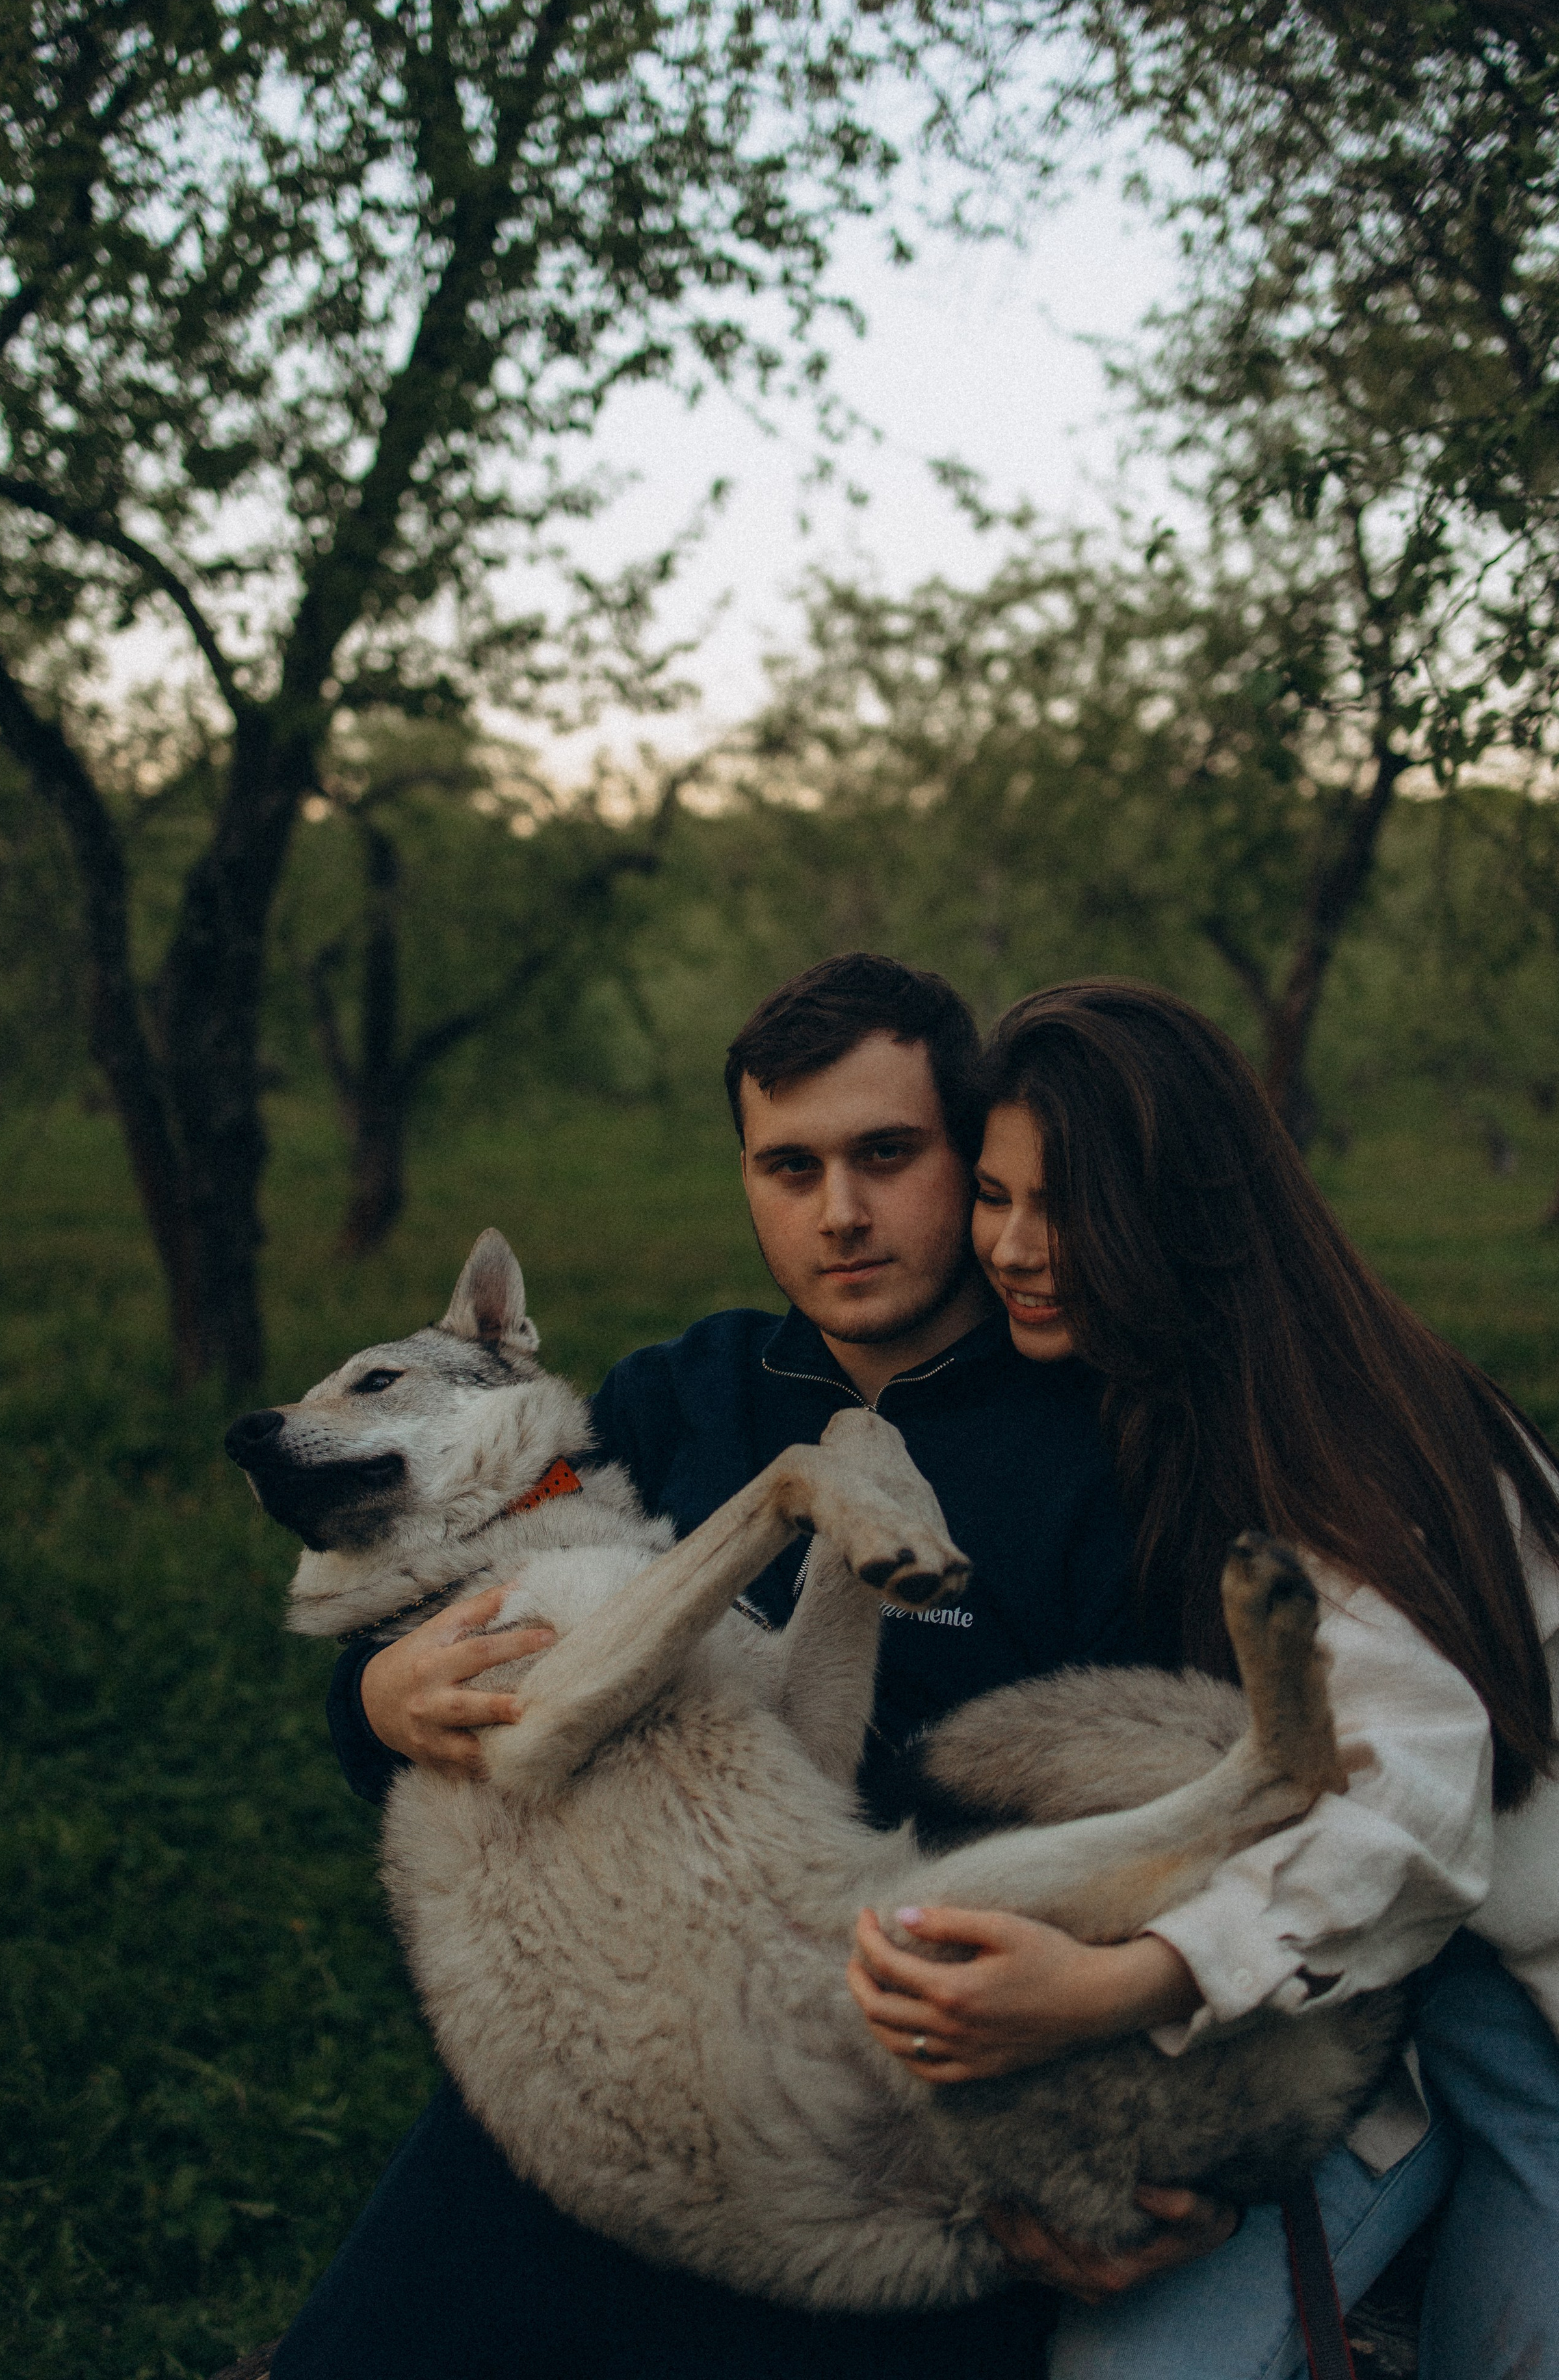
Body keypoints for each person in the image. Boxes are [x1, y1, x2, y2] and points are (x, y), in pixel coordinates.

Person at [275, 955, 1219, 2380]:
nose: (837, 1213)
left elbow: (1169, 1801)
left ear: (968, 1160)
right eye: (787, 1166)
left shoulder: (1104, 1450)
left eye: (884, 1156)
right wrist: (373, 1699)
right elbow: (443, 1619)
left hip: (886, 2081)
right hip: (598, 2035)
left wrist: (1130, 2114)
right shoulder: (680, 1397)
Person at [846, 979, 1559, 2379]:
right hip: (1352, 2014)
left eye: (1062, 1207)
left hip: (1518, 2007)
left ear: (1180, 1205)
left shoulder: (1341, 1437)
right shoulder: (1148, 1392)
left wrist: (1111, 1993)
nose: (1012, 1248)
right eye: (991, 1197)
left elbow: (1410, 1810)